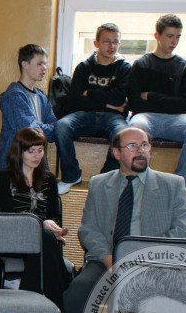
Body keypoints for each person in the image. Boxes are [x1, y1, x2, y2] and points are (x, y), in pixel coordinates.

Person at [56, 127, 186, 313]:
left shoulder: (173, 185)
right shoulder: (99, 184)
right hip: (108, 261)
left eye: (144, 145)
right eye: (132, 146)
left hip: (153, 266)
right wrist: (109, 260)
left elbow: (180, 232)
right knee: (77, 292)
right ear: (116, 153)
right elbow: (89, 229)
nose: (140, 151)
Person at [0, 127, 72, 313]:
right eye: (31, 151)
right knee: (45, 241)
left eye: (40, 150)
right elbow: (7, 216)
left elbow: (54, 215)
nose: (37, 156)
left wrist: (54, 227)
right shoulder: (3, 178)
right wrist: (41, 223)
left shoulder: (48, 179)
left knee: (42, 249)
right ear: (19, 151)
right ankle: (67, 307)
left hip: (42, 245)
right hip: (13, 240)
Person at [128, 13, 186, 187]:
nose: (174, 41)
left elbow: (184, 105)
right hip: (146, 117)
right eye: (170, 36)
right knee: (136, 126)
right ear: (157, 36)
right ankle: (140, 183)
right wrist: (170, 102)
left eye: (178, 37)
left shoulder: (184, 67)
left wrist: (151, 96)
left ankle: (179, 186)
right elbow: (134, 103)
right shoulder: (141, 64)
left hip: (175, 119)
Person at [54, 23, 131, 194]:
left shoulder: (125, 68)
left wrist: (89, 93)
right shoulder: (83, 68)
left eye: (115, 42)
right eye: (106, 41)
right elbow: (75, 101)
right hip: (84, 115)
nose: (111, 46)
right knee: (61, 126)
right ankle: (71, 176)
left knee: (123, 136)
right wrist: (107, 103)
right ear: (96, 43)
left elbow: (119, 97)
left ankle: (104, 180)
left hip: (113, 118)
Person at [0, 44, 57, 172]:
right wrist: (51, 129)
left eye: (45, 64)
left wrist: (53, 129)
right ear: (25, 64)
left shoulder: (41, 96)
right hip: (15, 166)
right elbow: (29, 130)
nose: (44, 68)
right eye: (39, 64)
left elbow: (54, 126)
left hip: (37, 166)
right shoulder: (13, 95)